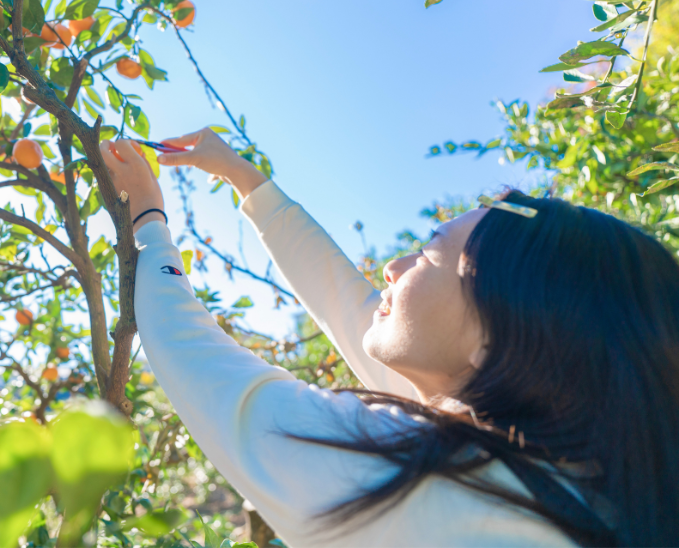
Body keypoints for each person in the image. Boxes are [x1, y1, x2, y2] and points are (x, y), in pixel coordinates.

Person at [99, 128, 679, 547]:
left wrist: (147, 217)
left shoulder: (435, 489)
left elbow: (199, 364)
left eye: (428, 250)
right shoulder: (559, 484)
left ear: (501, 339)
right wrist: (245, 180)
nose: (393, 265)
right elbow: (350, 307)